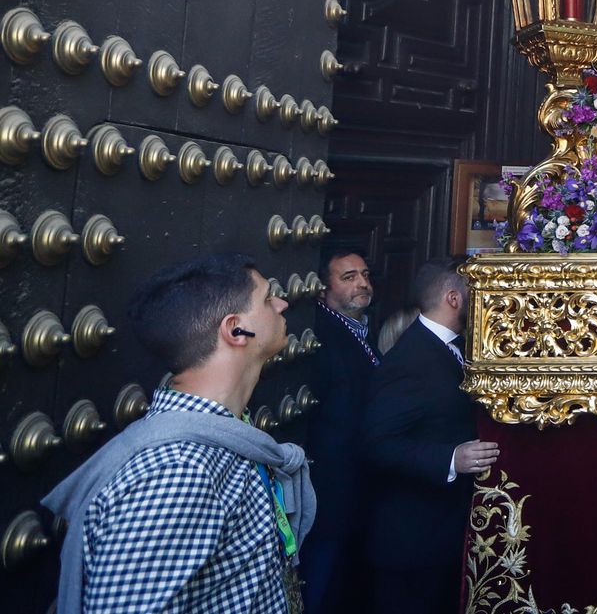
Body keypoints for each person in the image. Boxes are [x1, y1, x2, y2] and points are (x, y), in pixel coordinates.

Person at [43, 255, 312, 614]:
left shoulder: (224, 437)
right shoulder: (180, 471)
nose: (281, 303)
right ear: (235, 330)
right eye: (266, 298)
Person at [364, 261, 499, 614]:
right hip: (412, 542)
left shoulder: (453, 348)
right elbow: (377, 444)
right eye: (475, 293)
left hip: (439, 536)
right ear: (454, 298)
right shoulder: (411, 359)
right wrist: (451, 459)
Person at [301, 251, 380, 614]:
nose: (362, 283)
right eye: (348, 277)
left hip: (357, 486)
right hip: (330, 487)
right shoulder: (319, 335)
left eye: (364, 275)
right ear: (322, 290)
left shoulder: (363, 330)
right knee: (321, 578)